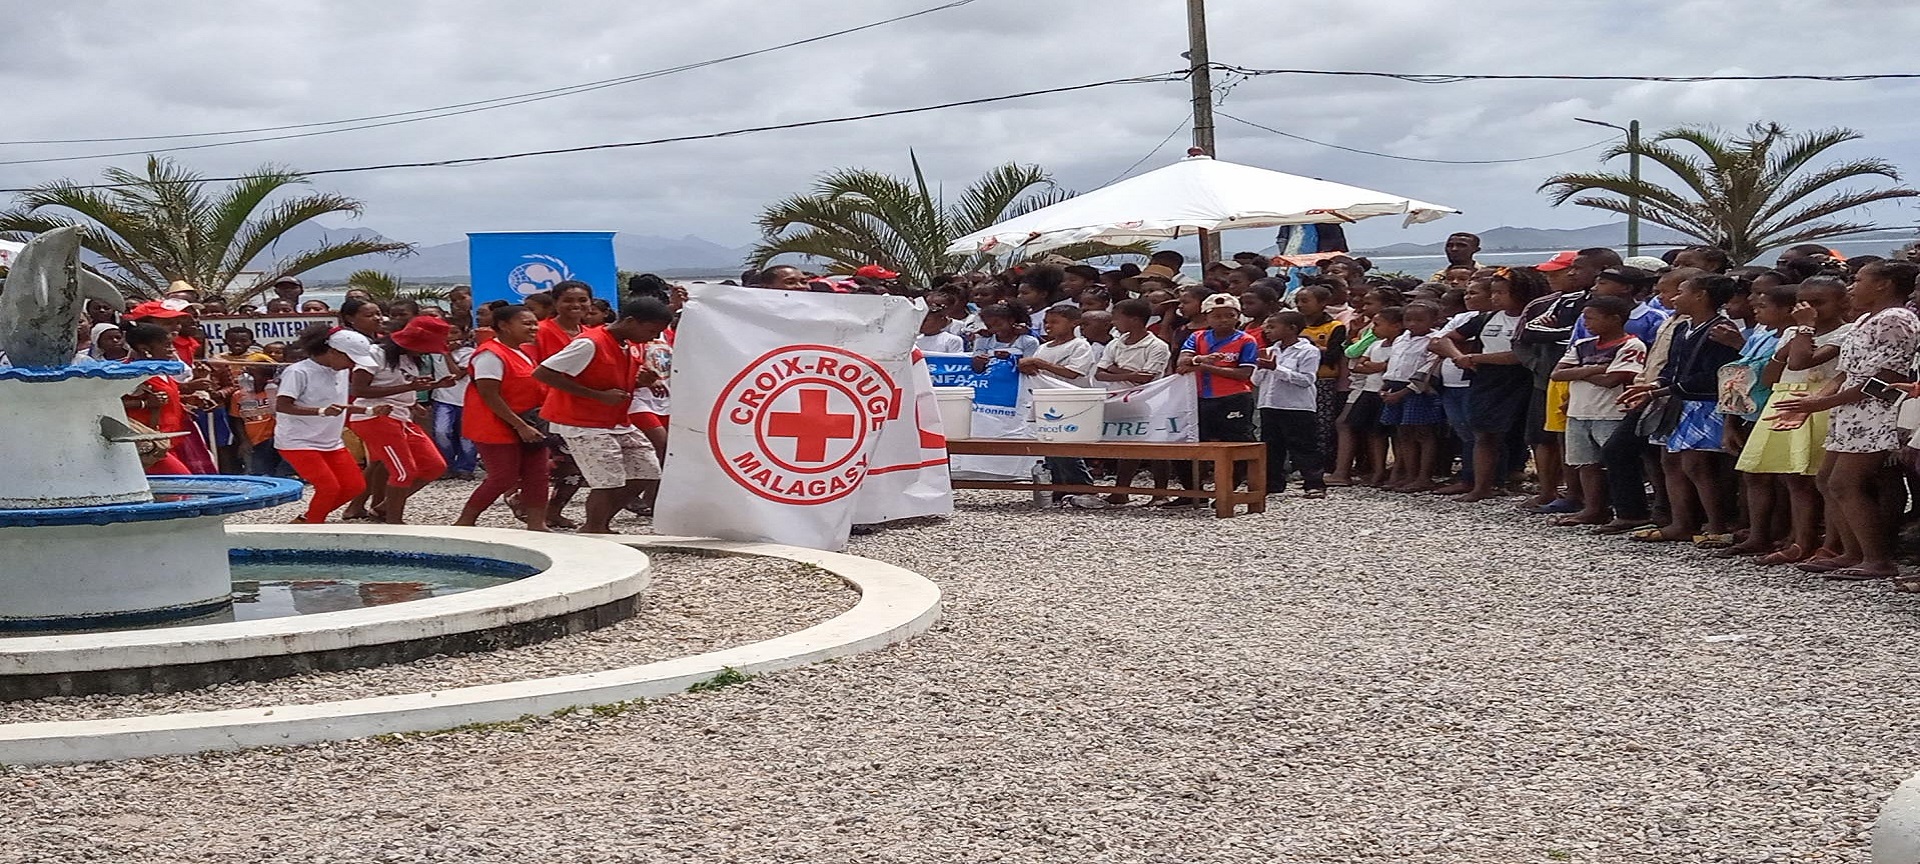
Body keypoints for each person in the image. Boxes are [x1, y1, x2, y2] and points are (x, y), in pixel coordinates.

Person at [1773, 261, 1920, 584]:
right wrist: (1815, 402)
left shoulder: (1896, 319)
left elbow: (1885, 378)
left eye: (1859, 280)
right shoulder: (1866, 319)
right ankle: (1851, 552)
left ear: (1883, 284)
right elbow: (1845, 373)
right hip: (1850, 412)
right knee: (1827, 480)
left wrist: (1821, 403)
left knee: (1847, 483)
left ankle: (1877, 558)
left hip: (1875, 413)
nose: (1852, 287)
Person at [1733, 277, 1853, 565]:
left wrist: (1805, 328)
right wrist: (1788, 344)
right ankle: (1800, 539)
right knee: (1792, 478)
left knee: (1818, 479)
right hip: (1785, 399)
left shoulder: (1846, 333)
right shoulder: (1791, 332)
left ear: (1842, 303)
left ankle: (1829, 543)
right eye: (1804, 303)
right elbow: (1769, 377)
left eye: (1819, 303)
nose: (1810, 309)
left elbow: (1801, 361)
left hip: (1818, 401)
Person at [532, 299, 675, 535]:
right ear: (631, 321)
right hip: (581, 421)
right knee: (607, 480)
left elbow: (611, 377)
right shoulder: (589, 343)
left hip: (615, 420)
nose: (653, 337)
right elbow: (543, 372)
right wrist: (597, 395)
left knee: (647, 471)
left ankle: (599, 523)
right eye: (651, 331)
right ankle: (595, 526)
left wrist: (640, 381)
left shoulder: (627, 344)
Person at [1620, 275, 1744, 546]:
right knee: (1671, 461)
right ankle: (1681, 523)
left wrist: (1660, 391)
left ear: (1701, 295)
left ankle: (1716, 525)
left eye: (1682, 291)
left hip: (1705, 403)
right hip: (1679, 400)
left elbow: (1713, 375)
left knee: (1697, 465)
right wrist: (1657, 385)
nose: (1675, 298)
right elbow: (1671, 367)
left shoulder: (1719, 330)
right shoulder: (1683, 328)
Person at [1434, 268, 1541, 502]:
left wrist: (1475, 358)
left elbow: (1518, 355)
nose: (1495, 298)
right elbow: (1445, 339)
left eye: (1501, 293)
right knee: (1485, 433)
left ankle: (1538, 485)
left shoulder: (1533, 319)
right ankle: (1482, 486)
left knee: (1533, 435)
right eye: (1493, 292)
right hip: (1488, 380)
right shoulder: (1488, 318)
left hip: (1523, 379)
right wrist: (1458, 357)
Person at [1548, 297, 1647, 528]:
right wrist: (1595, 369)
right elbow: (1557, 374)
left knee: (1615, 462)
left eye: (1592, 318)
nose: (1586, 323)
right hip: (1579, 411)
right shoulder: (1583, 344)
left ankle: (1626, 509)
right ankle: (1593, 508)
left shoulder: (1631, 345)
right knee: (1586, 463)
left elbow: (1613, 380)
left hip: (1611, 412)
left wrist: (1579, 371)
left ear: (1614, 319)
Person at [347, 316, 455, 524]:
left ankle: (383, 508)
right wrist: (410, 388)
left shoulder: (409, 358)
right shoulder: (375, 353)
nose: (425, 352)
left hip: (401, 416)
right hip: (375, 417)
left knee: (435, 466)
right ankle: (394, 521)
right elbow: (358, 390)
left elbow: (399, 388)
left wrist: (431, 389)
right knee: (403, 472)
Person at [457, 304, 550, 531]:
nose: (534, 328)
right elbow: (489, 394)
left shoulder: (523, 352)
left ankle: (537, 524)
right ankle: (465, 521)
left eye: (534, 323)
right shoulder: (490, 354)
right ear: (504, 326)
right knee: (503, 476)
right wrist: (520, 426)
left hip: (531, 421)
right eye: (526, 323)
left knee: (538, 474)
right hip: (496, 424)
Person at [276, 327, 383, 524]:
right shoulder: (298, 371)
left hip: (330, 440)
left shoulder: (340, 371)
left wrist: (368, 411)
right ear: (333, 351)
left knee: (354, 486)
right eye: (350, 359)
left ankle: (306, 521)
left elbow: (338, 406)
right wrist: (321, 411)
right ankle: (312, 527)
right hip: (297, 441)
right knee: (329, 487)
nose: (352, 364)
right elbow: (282, 406)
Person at [1170, 294, 1260, 505]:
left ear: (1238, 316)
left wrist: (1202, 366)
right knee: (1187, 441)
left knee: (1236, 445)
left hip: (1234, 398)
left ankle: (1227, 491)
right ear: (1207, 317)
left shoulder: (1246, 340)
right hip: (1199, 398)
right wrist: (1199, 359)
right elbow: (1182, 362)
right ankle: (1193, 491)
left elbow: (1244, 373)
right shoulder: (1197, 337)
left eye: (1230, 315)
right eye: (1217, 316)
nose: (1224, 320)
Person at [1097, 299, 1172, 504]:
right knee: (1127, 446)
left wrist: (1115, 369)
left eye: (1117, 318)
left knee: (1155, 446)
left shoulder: (1157, 346)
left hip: (1150, 400)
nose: (1113, 322)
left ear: (1135, 320)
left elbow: (1145, 377)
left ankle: (1160, 493)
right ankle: (1121, 490)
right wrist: (1129, 374)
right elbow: (1100, 373)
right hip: (1121, 400)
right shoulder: (1115, 343)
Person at [1255, 310, 1327, 498]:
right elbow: (1255, 381)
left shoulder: (1308, 351)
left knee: (1303, 445)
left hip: (1296, 406)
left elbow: (1306, 380)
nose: (1267, 331)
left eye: (1272, 327)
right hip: (1270, 404)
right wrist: (1261, 368)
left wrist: (1276, 368)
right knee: (1271, 446)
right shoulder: (1270, 350)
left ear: (1292, 328)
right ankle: (1273, 483)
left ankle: (1314, 483)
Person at [120, 323, 206, 475]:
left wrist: (184, 402)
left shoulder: (161, 370)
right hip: (150, 445)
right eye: (167, 345)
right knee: (183, 481)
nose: (172, 350)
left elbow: (165, 397)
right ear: (144, 349)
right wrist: (144, 403)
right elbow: (111, 402)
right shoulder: (130, 374)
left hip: (170, 440)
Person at [1379, 302, 1444, 492]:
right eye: (1408, 319)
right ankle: (1409, 474)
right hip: (1395, 387)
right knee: (1403, 433)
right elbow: (1394, 363)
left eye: (1420, 320)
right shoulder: (1401, 339)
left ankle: (1424, 477)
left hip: (1417, 391)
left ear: (1434, 321)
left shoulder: (1434, 341)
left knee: (1423, 433)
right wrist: (1385, 386)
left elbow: (1428, 370)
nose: (1413, 324)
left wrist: (1404, 392)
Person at [1344, 307, 1401, 487]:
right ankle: (1378, 470)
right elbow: (1358, 365)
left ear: (1396, 326)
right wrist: (1379, 366)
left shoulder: (1400, 345)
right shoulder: (1375, 344)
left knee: (1395, 434)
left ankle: (1398, 471)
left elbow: (1392, 365)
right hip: (1369, 390)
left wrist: (1376, 366)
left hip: (1387, 390)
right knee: (1373, 432)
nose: (1373, 329)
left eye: (1377, 325)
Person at [427, 322, 479, 481]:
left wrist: (446, 354)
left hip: (465, 399)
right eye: (445, 333)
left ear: (463, 334)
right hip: (443, 398)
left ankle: (465, 467)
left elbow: (457, 374)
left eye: (454, 332)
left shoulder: (469, 353)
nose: (449, 337)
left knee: (467, 436)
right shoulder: (433, 353)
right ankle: (446, 465)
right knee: (441, 432)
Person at [229, 357, 285, 478]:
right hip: (252, 442)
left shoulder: (273, 393)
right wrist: (244, 441)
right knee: (256, 472)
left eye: (253, 374)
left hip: (272, 441)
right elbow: (237, 419)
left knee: (273, 473)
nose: (247, 377)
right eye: (247, 373)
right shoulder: (239, 396)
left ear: (266, 377)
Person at [971, 303, 1039, 374]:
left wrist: (1010, 358)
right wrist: (978, 362)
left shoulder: (1029, 342)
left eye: (999, 324)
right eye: (989, 326)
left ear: (1011, 320)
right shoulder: (982, 341)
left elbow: (1030, 369)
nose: (995, 329)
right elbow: (977, 370)